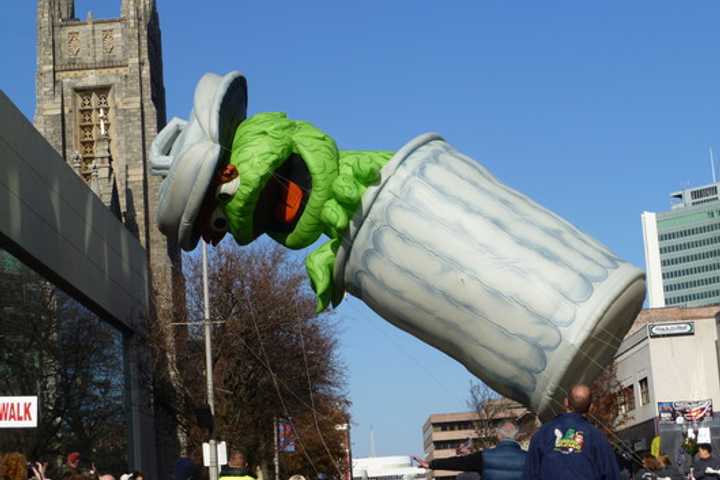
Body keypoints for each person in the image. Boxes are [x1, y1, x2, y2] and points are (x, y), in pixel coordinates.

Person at [523, 384, 620, 480]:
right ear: (591, 407)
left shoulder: (542, 433)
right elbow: (611, 474)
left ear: (566, 402)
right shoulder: (597, 437)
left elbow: (530, 473)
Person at [414, 421, 526, 479]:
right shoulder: (529, 457)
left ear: (498, 435)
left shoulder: (484, 456)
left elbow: (458, 463)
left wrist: (431, 464)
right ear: (517, 436)